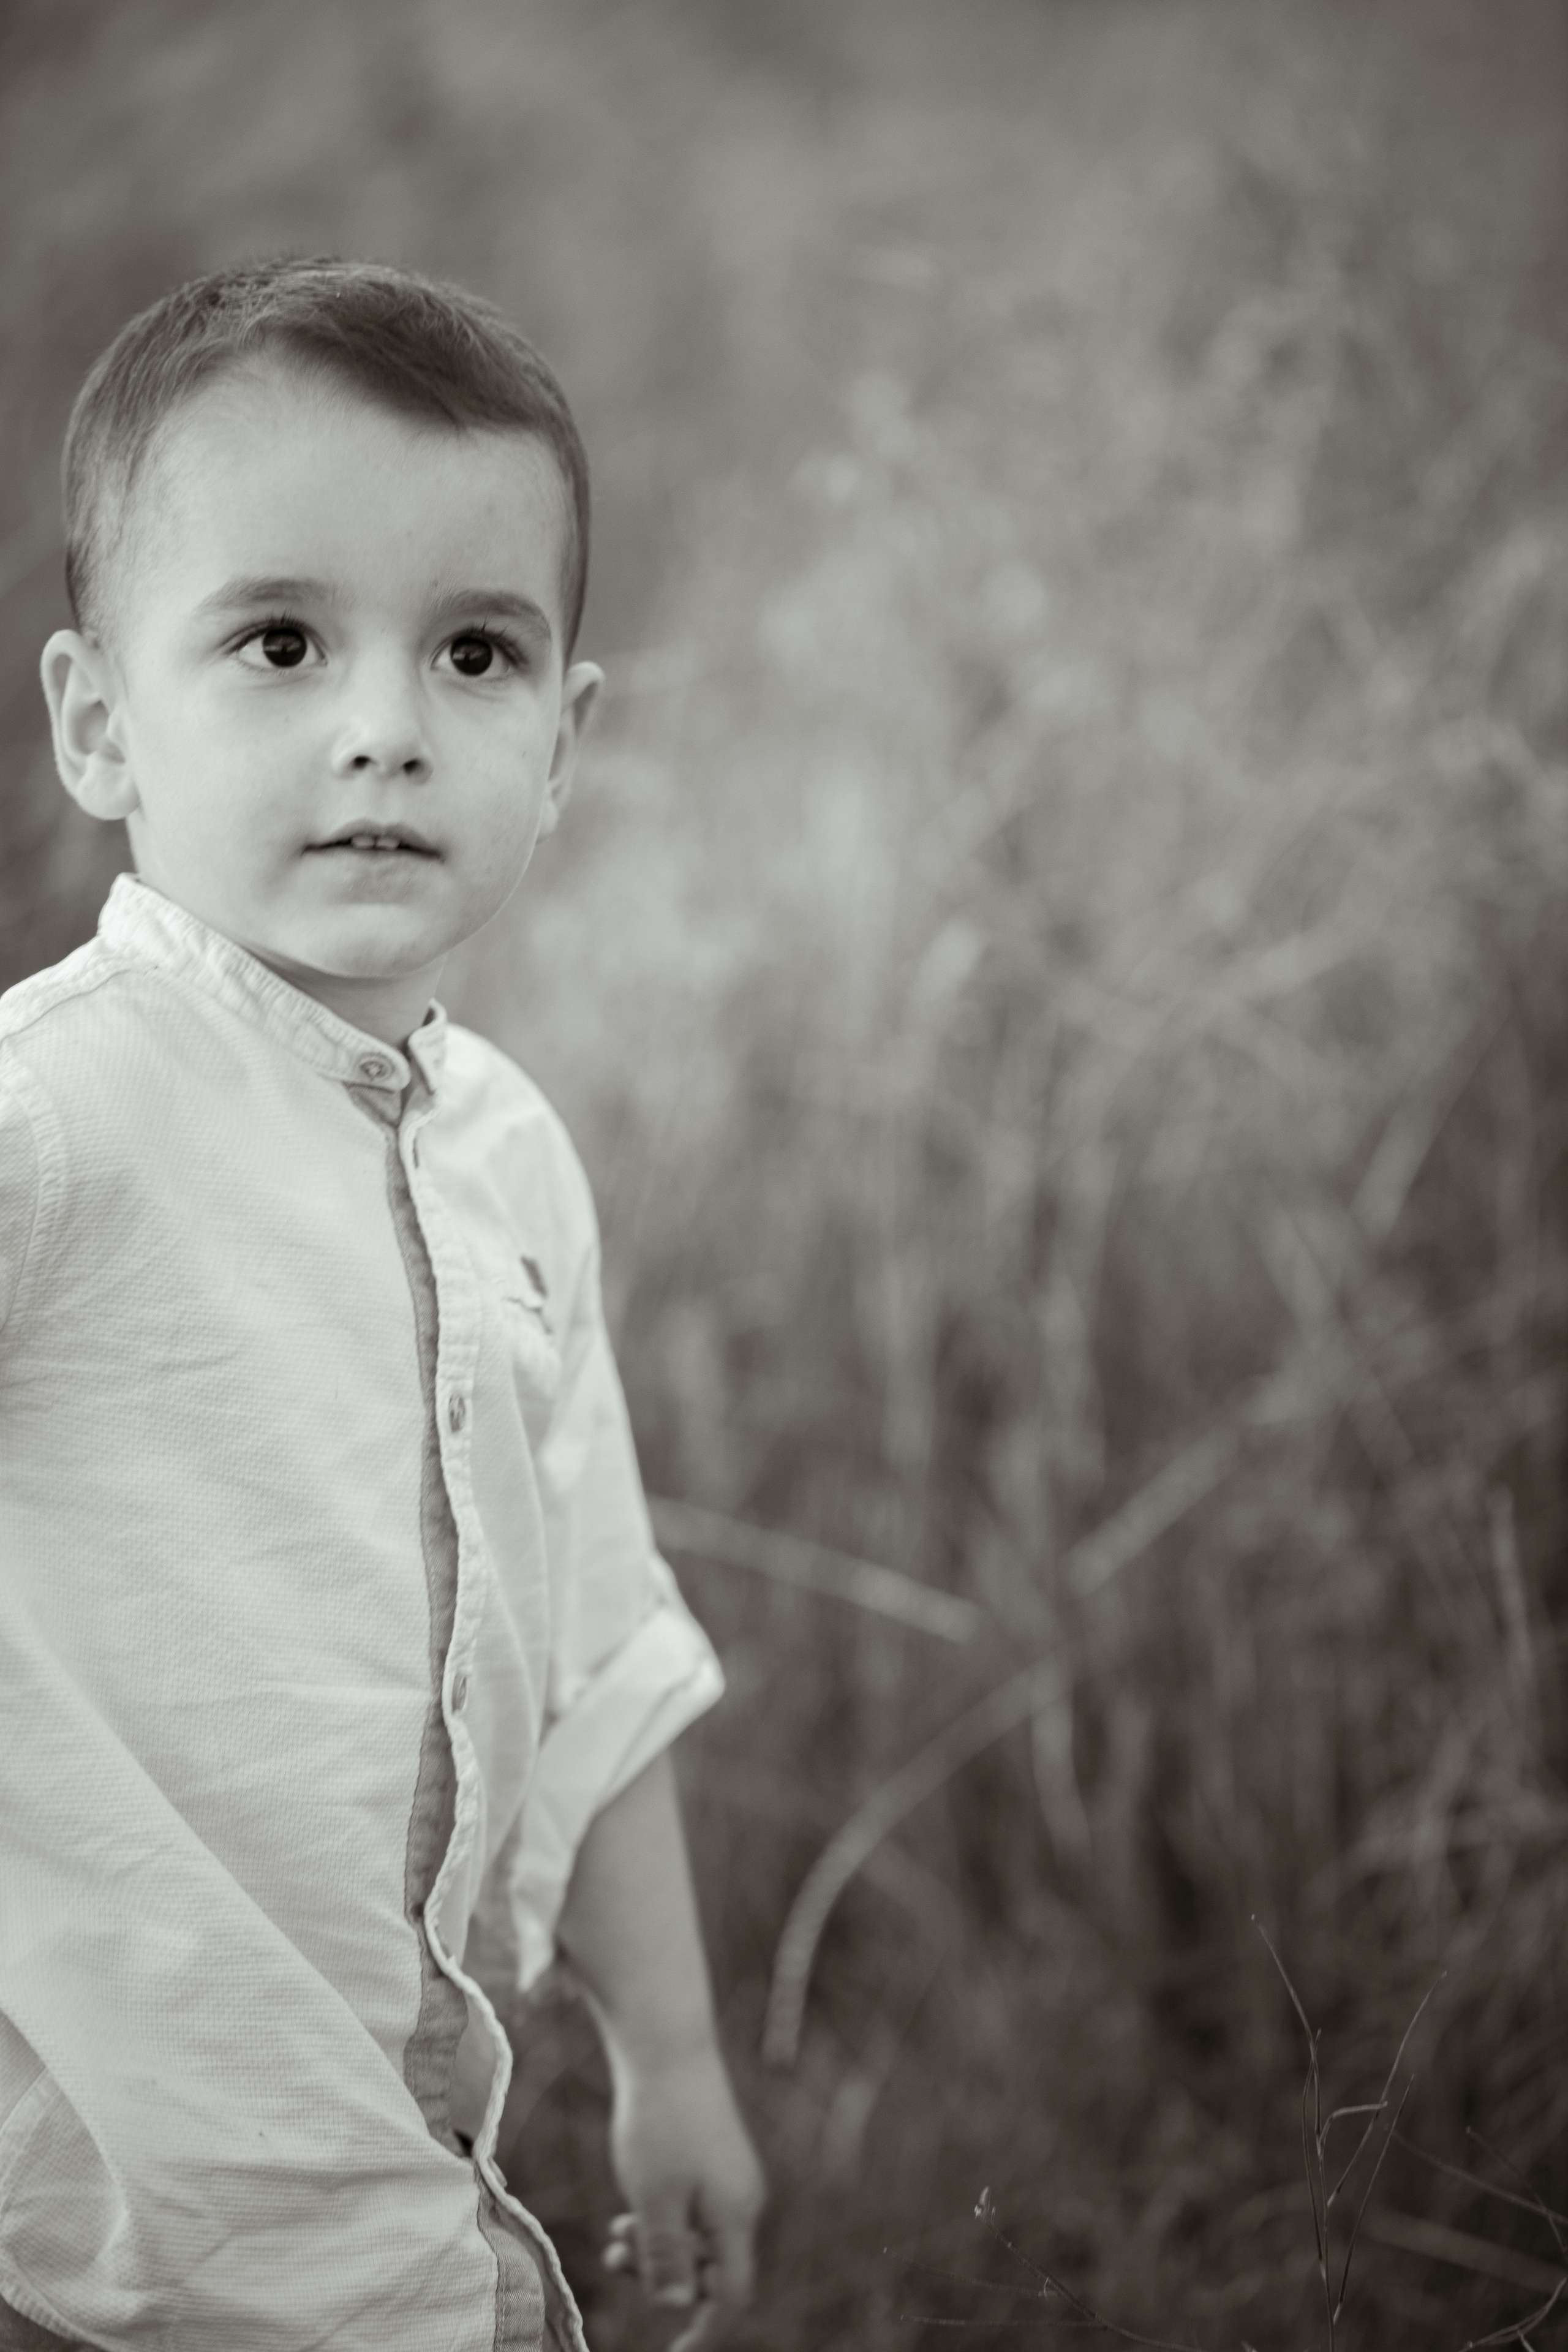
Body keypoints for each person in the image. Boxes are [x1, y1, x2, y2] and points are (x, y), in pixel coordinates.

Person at [0, 256, 764, 2352]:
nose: (383, 730)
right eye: (277, 639)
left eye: (476, 653)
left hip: (391, 2190)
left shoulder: (507, 1157)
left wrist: (679, 2059)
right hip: (91, 2232)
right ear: (99, 723)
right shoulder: (62, 1116)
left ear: (565, 741)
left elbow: (599, 1647)